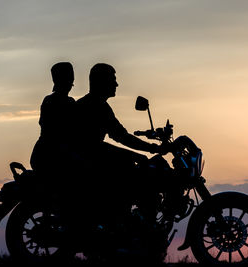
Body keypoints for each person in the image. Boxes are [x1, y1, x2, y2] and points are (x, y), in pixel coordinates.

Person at [74, 63, 163, 212]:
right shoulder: (95, 106)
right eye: (112, 79)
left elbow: (120, 135)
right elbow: (122, 137)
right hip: (91, 154)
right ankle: (126, 212)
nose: (116, 83)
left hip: (92, 152)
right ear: (101, 81)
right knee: (140, 162)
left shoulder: (97, 104)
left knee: (137, 161)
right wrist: (153, 148)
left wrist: (151, 148)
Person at [30, 61, 79, 182]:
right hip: (49, 155)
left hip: (54, 153)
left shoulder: (69, 102)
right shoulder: (52, 101)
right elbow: (53, 130)